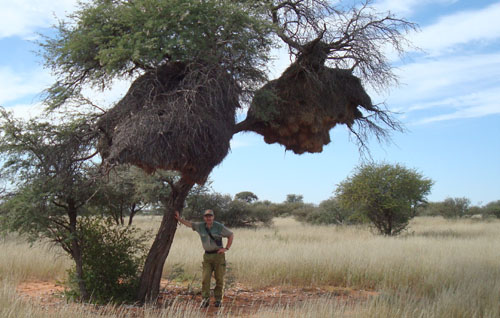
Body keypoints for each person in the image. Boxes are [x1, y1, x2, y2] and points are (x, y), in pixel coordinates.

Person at [175, 209, 234, 308]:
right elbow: (190, 224)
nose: (208, 218)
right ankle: (205, 300)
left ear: (213, 217)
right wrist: (179, 219)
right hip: (207, 256)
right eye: (206, 216)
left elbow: (230, 235)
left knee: (219, 279)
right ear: (204, 218)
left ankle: (218, 300)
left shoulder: (219, 226)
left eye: (210, 216)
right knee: (205, 279)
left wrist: (226, 248)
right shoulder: (200, 226)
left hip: (218, 256)